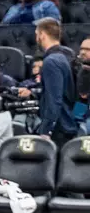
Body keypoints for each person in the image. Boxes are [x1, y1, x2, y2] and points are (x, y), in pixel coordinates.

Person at [32, 17, 77, 146]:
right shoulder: (67, 55)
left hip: (59, 128)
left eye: (36, 34)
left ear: (42, 35)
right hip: (67, 122)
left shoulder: (51, 61)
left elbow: (54, 99)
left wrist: (46, 130)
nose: (36, 38)